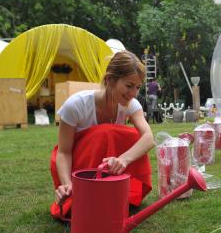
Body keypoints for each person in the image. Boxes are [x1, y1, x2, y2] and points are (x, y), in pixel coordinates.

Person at [49, 50, 155, 221]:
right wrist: (67, 184)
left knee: (132, 137)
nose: (134, 93)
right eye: (129, 86)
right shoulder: (75, 105)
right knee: (105, 133)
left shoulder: (131, 105)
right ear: (109, 80)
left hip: (106, 165)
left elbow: (148, 138)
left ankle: (115, 193)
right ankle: (82, 194)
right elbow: (63, 152)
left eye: (138, 87)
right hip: (76, 165)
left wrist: (123, 160)